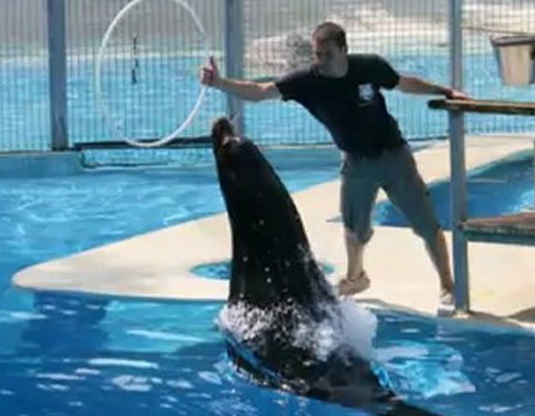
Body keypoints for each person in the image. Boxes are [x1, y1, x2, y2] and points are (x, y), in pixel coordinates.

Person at [199, 21, 467, 313]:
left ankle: (447, 284)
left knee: (426, 225)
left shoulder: (369, 67)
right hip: (356, 163)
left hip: (395, 157)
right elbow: (261, 91)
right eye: (317, 54)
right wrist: (219, 83)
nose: (321, 61)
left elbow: (403, 83)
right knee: (354, 230)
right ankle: (356, 278)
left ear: (343, 50)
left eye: (327, 54)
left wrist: (445, 91)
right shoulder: (307, 81)